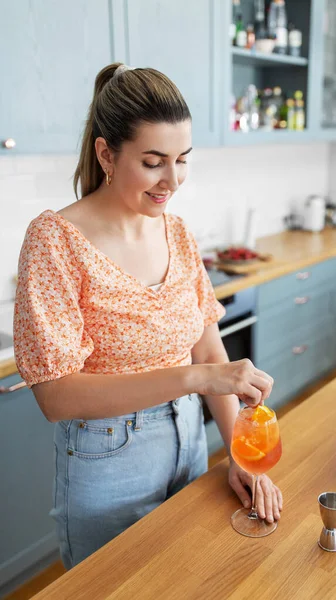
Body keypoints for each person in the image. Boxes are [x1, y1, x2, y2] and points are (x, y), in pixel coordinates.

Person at [13, 63, 282, 569]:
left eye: (182, 159)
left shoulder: (175, 231)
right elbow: (56, 395)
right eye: (154, 161)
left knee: (187, 577)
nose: (172, 180)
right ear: (105, 153)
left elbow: (208, 347)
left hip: (190, 437)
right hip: (107, 457)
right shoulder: (54, 240)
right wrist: (197, 378)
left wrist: (239, 456)